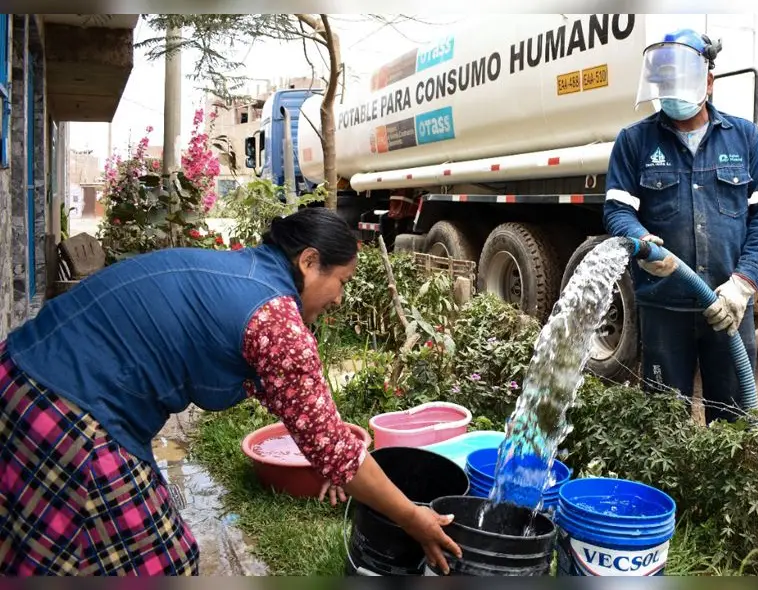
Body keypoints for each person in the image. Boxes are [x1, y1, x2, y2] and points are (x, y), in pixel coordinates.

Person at [0, 208, 461, 575]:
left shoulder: (249, 271)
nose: (340, 297)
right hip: (71, 411)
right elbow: (332, 450)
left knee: (42, 543)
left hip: (20, 373)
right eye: (341, 281)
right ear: (308, 261)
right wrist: (411, 517)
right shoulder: (276, 318)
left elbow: (314, 426)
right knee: (162, 562)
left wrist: (333, 445)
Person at [603, 29, 758, 423]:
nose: (671, 92)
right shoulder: (635, 141)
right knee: (663, 423)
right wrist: (640, 240)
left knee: (734, 423)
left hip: (728, 304)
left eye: (679, 81)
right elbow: (617, 212)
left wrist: (743, 284)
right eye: (664, 83)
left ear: (709, 81)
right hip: (664, 306)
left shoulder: (746, 138)